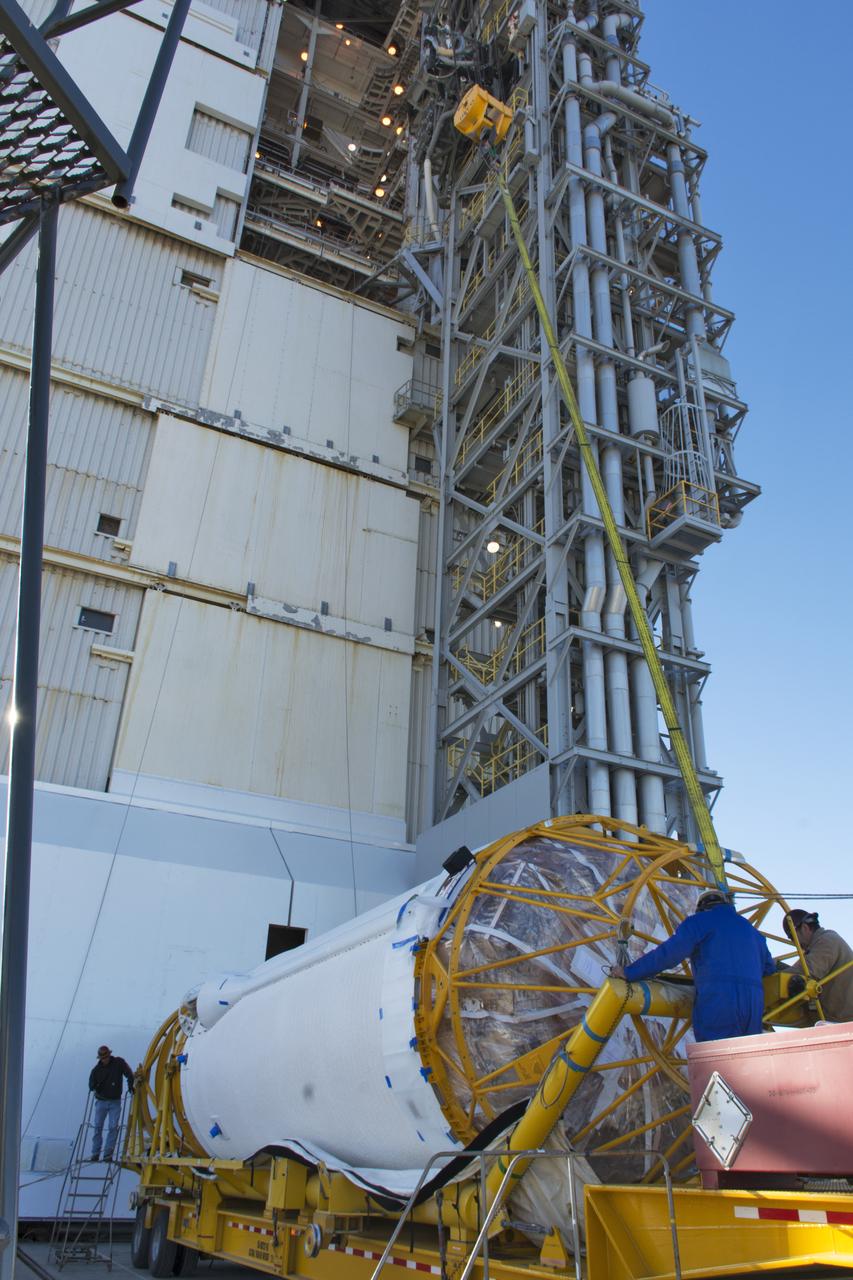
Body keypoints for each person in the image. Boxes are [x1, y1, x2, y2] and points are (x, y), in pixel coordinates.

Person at [611, 889, 775, 1042]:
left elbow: (669, 954)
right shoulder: (753, 932)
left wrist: (630, 972)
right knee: (748, 1056)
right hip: (754, 1003)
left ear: (701, 907)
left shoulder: (699, 921)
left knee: (715, 1057)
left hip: (719, 998)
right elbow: (769, 968)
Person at [783, 910, 853, 1024]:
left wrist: (772, 976)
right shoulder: (821, 942)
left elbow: (807, 970)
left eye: (792, 937)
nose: (795, 943)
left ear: (805, 928)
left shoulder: (827, 940)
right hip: (838, 1019)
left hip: (843, 1020)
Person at [88, 1045, 134, 1161]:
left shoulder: (119, 1063)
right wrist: (95, 1086)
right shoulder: (96, 1070)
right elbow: (91, 1085)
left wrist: (130, 1085)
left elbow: (129, 1074)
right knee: (98, 1127)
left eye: (106, 1057)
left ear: (109, 1055)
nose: (105, 1059)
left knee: (113, 1127)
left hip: (115, 1102)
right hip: (101, 1102)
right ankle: (95, 1153)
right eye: (103, 1058)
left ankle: (108, 1154)